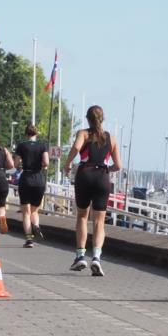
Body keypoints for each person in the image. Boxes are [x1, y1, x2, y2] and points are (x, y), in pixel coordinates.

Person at [63, 105, 122, 277]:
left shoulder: (83, 134)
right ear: (102, 119)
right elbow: (118, 165)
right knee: (99, 221)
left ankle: (80, 256)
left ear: (88, 119)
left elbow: (76, 148)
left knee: (82, 216)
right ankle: (96, 258)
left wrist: (67, 164)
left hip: (85, 175)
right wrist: (107, 169)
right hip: (102, 177)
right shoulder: (111, 138)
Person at [14, 124, 48, 248]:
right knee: (34, 211)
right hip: (39, 179)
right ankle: (37, 226)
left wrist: (21, 162)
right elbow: (46, 162)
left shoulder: (21, 146)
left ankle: (29, 239)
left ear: (26, 134)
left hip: (26, 178)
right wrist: (40, 165)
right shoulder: (42, 146)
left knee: (26, 212)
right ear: (36, 134)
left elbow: (16, 163)